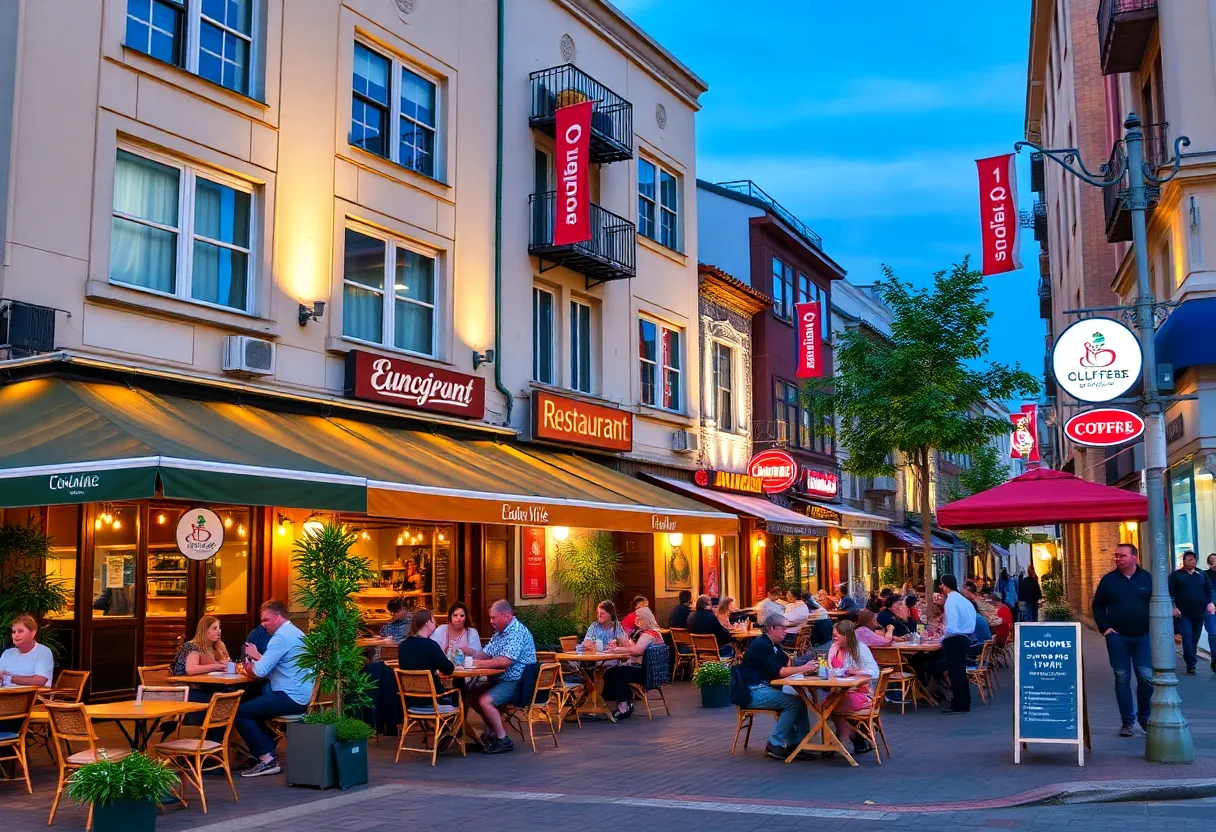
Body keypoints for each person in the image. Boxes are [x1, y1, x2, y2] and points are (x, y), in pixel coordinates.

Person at [238, 600, 313, 777]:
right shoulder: (296, 632)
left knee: (241, 712)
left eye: (266, 620)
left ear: (278, 617)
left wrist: (247, 664)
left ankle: (266, 758)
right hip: (302, 694)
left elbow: (259, 671)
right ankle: (266, 750)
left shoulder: (280, 637)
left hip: (290, 696)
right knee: (254, 705)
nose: (263, 625)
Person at [739, 614, 819, 760]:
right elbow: (779, 671)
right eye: (782, 628)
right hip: (753, 691)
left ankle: (799, 744)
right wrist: (803, 668)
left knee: (800, 701)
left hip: (764, 688)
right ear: (771, 628)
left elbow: (786, 662)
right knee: (794, 702)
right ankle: (775, 744)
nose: (785, 632)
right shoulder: (761, 645)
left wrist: (802, 664)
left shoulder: (773, 645)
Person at [1092, 542, 1152, 737]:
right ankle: (1127, 721)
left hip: (1143, 636)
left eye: (1122, 556)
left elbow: (1158, 602)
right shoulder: (1109, 580)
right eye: (1116, 556)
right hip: (1118, 637)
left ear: (1134, 557)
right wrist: (1105, 628)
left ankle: (1144, 717)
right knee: (1122, 678)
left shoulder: (1147, 578)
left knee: (1146, 678)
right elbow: (1098, 605)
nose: (1117, 559)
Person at [466, 600, 536, 754]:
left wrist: (476, 665)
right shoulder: (500, 633)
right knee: (471, 696)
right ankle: (491, 733)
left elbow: (505, 661)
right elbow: (485, 654)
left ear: (505, 615)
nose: (491, 621)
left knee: (485, 701)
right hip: (501, 680)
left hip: (517, 682)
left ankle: (503, 739)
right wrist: (469, 652)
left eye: (493, 617)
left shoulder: (516, 632)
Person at [826, 621, 880, 756]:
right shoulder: (834, 648)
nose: (834, 638)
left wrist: (857, 671)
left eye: (836, 636)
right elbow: (831, 670)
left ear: (846, 636)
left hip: (861, 693)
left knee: (830, 707)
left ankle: (839, 743)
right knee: (827, 706)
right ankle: (855, 737)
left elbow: (875, 671)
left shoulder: (860, 648)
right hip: (839, 691)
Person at [601, 607, 663, 719]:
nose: (636, 620)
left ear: (646, 619)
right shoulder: (653, 633)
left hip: (645, 672)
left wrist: (616, 650)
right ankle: (625, 702)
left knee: (615, 673)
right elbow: (633, 648)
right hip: (652, 671)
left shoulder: (648, 634)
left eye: (640, 618)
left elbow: (637, 651)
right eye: (636, 618)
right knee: (614, 671)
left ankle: (623, 706)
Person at [396, 609, 455, 710]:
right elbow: (449, 668)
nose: (435, 624)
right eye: (433, 620)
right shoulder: (431, 645)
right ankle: (450, 725)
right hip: (434, 702)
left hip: (409, 702)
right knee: (459, 694)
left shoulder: (403, 646)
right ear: (428, 623)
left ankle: (434, 726)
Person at [1168, 551, 1215, 675]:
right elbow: (1171, 593)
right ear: (1184, 561)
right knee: (1187, 637)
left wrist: (1210, 603)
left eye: (1193, 559)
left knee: (1195, 638)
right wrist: (1174, 608)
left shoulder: (1202, 575)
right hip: (1184, 614)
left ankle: (1190, 658)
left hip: (1199, 613)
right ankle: (1191, 663)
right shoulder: (1176, 575)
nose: (1192, 562)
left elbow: (1209, 589)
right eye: (1189, 559)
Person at [939, 575, 976, 715]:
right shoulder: (963, 600)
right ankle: (963, 701)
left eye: (942, 585)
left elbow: (952, 625)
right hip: (965, 637)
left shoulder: (951, 601)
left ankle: (959, 703)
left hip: (955, 638)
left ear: (945, 585)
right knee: (960, 671)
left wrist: (944, 638)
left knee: (955, 673)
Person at [0, 614, 53, 688]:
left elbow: (39, 680)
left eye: (20, 631)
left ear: (33, 633)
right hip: (5, 696)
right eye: (13, 632)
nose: (16, 635)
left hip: (32, 698)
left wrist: (8, 678)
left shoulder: (43, 651)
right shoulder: (7, 653)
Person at [1206, 553, 1216, 672]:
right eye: (1212, 561)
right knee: (1213, 634)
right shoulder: (1205, 575)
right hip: (1210, 607)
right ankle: (1215, 660)